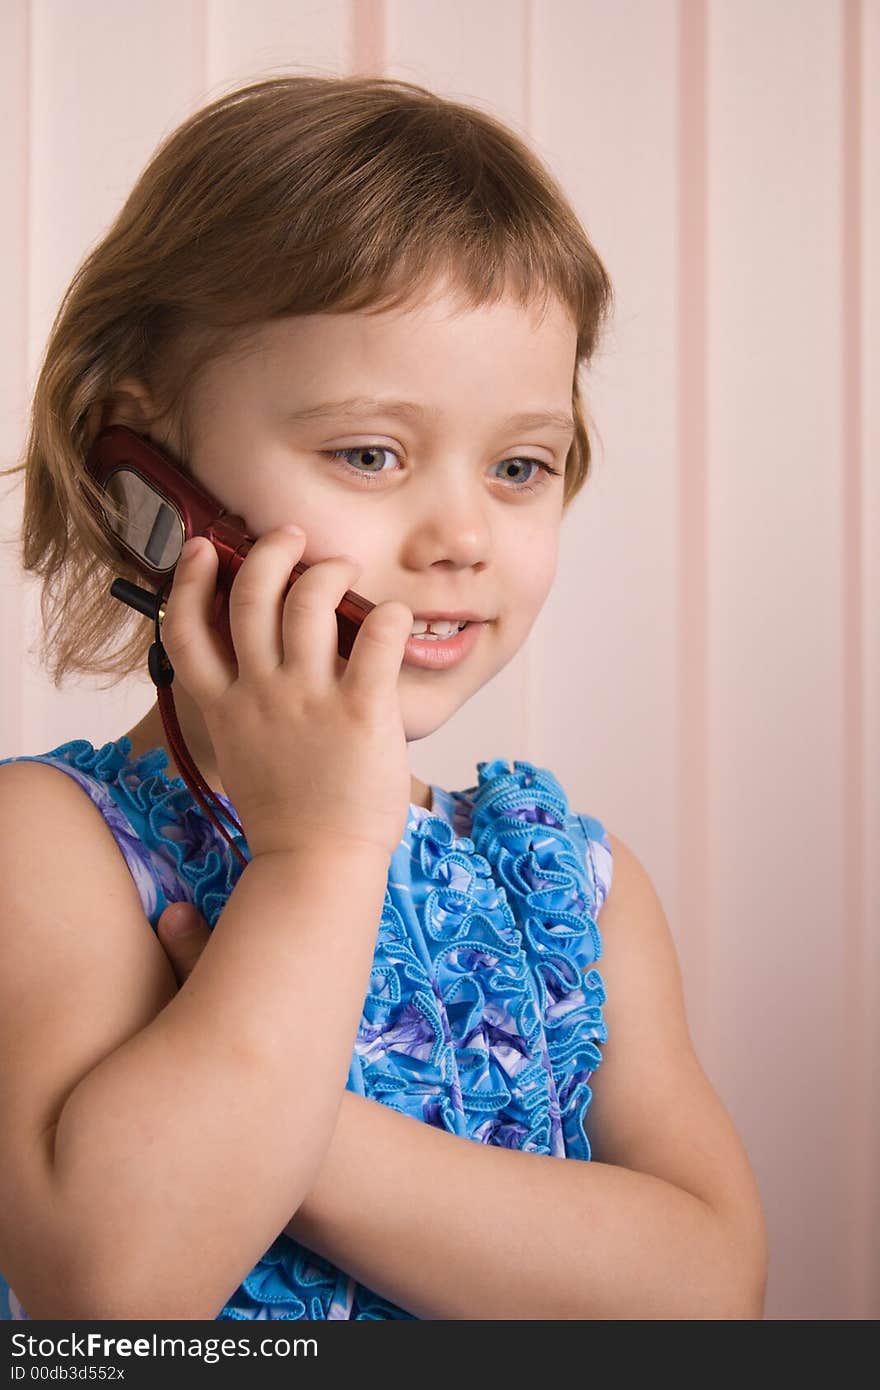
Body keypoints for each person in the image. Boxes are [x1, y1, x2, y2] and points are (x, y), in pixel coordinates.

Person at [0, 74, 767, 1321]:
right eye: (370, 453)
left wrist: (309, 1135)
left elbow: (707, 1292)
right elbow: (114, 1295)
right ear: (147, 471)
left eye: (521, 465)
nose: (462, 534)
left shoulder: (569, 889)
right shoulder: (51, 848)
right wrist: (317, 855)